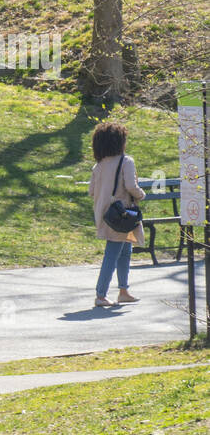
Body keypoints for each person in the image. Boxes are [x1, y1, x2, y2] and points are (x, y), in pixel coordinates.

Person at [88, 120, 144, 307]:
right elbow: (131, 186)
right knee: (113, 253)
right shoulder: (126, 161)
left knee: (125, 250)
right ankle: (101, 294)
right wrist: (141, 195)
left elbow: (91, 191)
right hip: (122, 215)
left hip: (105, 214)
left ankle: (123, 291)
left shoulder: (99, 165)